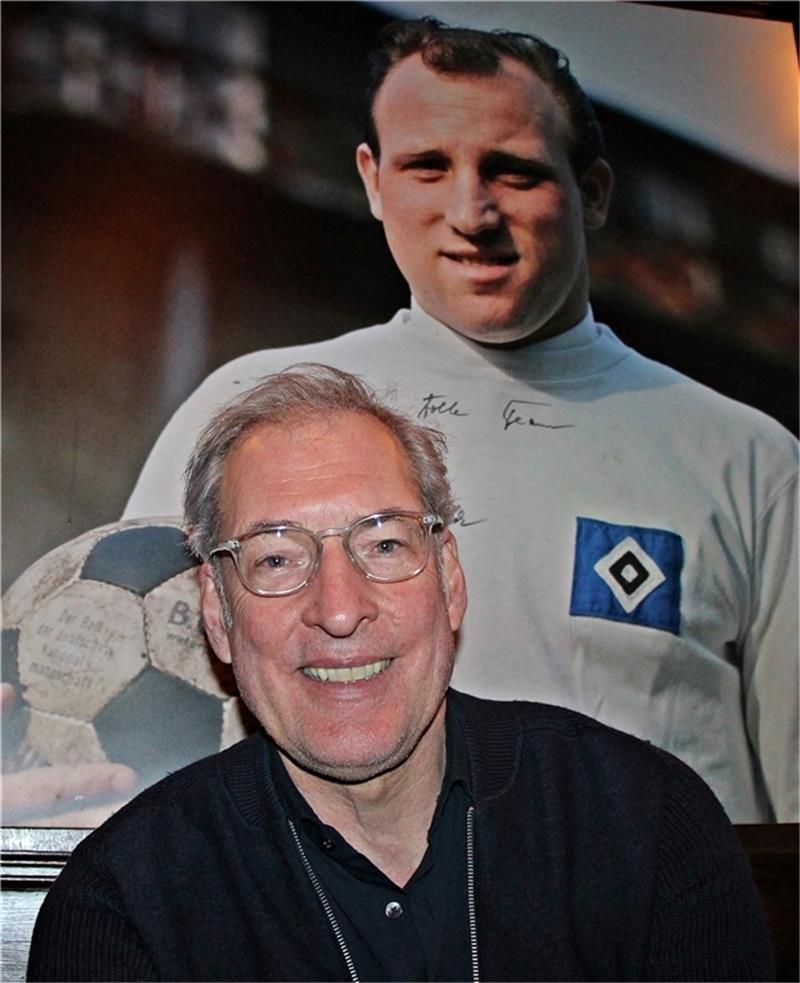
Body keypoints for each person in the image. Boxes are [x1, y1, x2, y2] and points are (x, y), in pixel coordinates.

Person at [122, 19, 797, 824]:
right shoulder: (249, 411)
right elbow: (131, 708)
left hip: (644, 946)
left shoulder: (746, 459)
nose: (471, 212)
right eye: (428, 167)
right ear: (374, 181)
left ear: (592, 193)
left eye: (512, 172)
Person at [28, 364, 774, 982]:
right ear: (218, 615)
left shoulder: (646, 825)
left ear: (450, 578)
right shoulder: (123, 907)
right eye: (278, 559)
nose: (341, 609)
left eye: (383, 545)